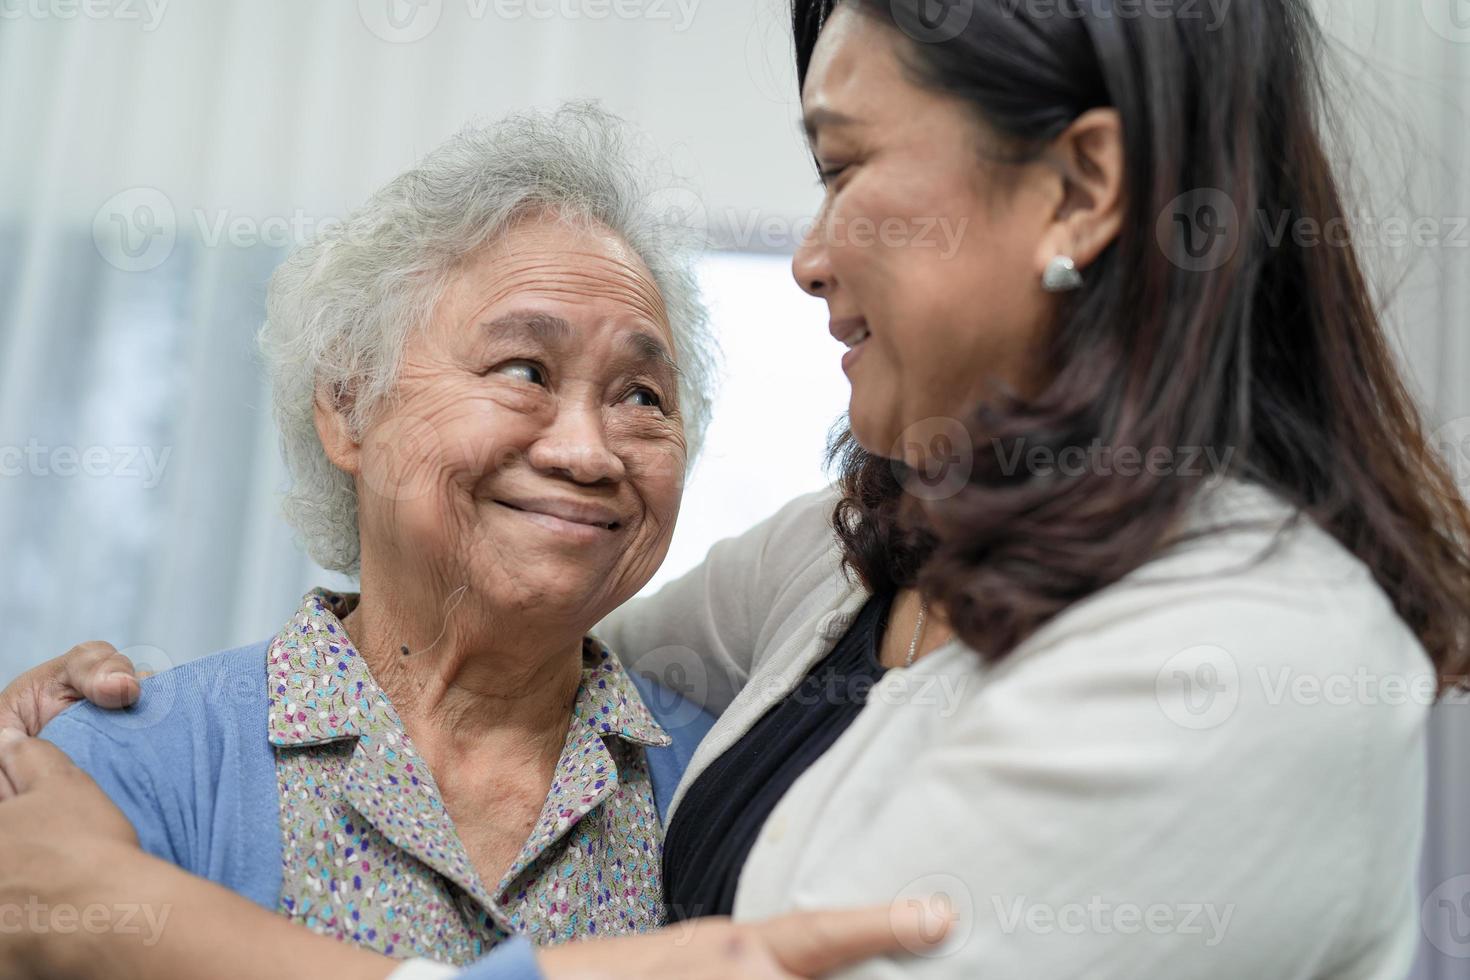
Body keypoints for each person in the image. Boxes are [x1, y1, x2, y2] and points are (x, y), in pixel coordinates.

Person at [4, 0, 1469, 976]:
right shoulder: (850, 561)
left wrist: (132, 925)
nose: (812, 255)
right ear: (345, 407)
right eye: (520, 368)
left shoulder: (1246, 657)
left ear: (1080, 190)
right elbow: (528, 649)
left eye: (644, 394)